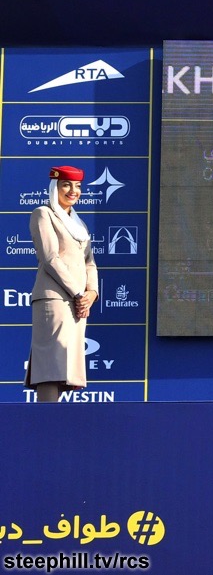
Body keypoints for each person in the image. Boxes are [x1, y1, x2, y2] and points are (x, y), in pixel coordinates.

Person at [26, 166, 98, 402]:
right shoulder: (43, 213)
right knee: (50, 366)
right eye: (66, 185)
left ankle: (57, 420)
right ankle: (45, 419)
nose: (73, 190)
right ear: (54, 187)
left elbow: (89, 262)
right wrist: (78, 293)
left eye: (77, 186)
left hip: (78, 302)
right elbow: (50, 258)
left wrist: (92, 292)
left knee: (68, 369)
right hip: (55, 299)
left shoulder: (79, 223)